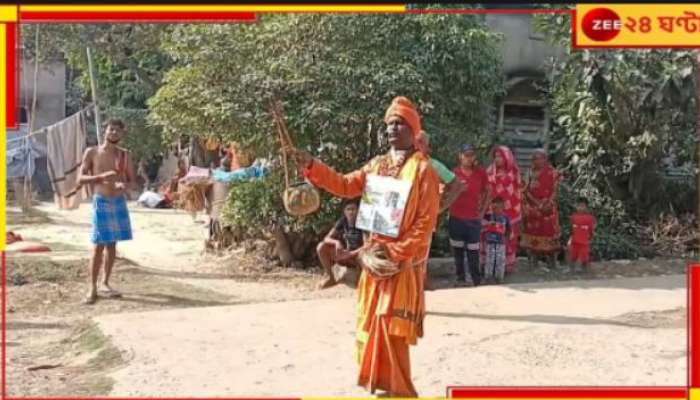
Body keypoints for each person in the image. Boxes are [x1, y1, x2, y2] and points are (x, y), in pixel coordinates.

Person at [292, 96, 440, 397]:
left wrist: (394, 254)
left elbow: (425, 225)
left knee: (390, 322)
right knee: (369, 323)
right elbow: (345, 185)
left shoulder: (424, 170)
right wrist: (311, 166)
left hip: (399, 263)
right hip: (373, 259)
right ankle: (379, 384)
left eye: (399, 123)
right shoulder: (377, 165)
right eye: (388, 124)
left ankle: (401, 389)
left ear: (413, 129)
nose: (391, 129)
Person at [77, 118, 136, 304]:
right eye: (111, 130)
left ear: (122, 134)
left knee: (112, 245)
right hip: (101, 201)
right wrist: (100, 177)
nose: (114, 133)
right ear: (105, 131)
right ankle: (92, 287)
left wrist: (124, 185)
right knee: (98, 246)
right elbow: (80, 179)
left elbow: (133, 181)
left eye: (118, 131)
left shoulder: (124, 155)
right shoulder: (92, 152)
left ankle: (105, 283)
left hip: (118, 202)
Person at [449, 144, 490, 287]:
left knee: (473, 250)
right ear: (460, 156)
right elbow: (445, 192)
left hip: (473, 219)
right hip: (456, 217)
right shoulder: (453, 173)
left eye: (472, 155)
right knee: (457, 250)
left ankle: (476, 280)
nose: (469, 158)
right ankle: (460, 279)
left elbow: (488, 192)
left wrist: (482, 211)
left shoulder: (480, 173)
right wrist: (457, 191)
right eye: (466, 155)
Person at [484, 145, 522, 275]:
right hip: (493, 211)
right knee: (491, 237)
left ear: (507, 157)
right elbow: (486, 191)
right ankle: (489, 266)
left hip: (511, 211)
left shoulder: (514, 172)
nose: (497, 159)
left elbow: (518, 192)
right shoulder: (490, 171)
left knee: (508, 237)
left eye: (500, 156)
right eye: (495, 156)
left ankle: (507, 266)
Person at [522, 149, 561, 269]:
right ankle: (533, 262)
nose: (537, 161)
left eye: (539, 158)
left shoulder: (553, 173)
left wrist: (547, 202)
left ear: (545, 159)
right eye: (534, 158)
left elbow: (555, 190)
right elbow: (524, 190)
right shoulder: (528, 173)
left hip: (548, 209)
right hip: (533, 210)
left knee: (550, 234)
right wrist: (536, 203)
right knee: (532, 235)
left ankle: (552, 262)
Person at [316, 200, 364, 289]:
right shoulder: (343, 221)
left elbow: (370, 245)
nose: (351, 212)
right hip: (346, 254)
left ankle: (363, 280)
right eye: (348, 209)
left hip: (360, 255)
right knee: (321, 247)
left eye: (353, 209)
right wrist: (336, 242)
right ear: (344, 212)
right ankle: (331, 278)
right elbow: (327, 238)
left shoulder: (364, 222)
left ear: (358, 211)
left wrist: (351, 254)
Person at [415, 131, 465, 212]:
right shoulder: (402, 163)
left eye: (420, 142)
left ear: (427, 148)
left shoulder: (434, 165)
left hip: (425, 215)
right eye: (414, 141)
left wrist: (442, 208)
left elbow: (457, 185)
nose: (416, 145)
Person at [482, 197, 511, 284]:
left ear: (503, 207)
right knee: (489, 260)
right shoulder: (488, 216)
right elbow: (482, 225)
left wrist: (507, 239)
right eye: (494, 208)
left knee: (500, 260)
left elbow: (509, 229)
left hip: (501, 243)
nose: (496, 210)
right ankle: (488, 277)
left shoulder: (505, 217)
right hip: (490, 242)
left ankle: (499, 277)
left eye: (498, 207)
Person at [568, 197, 596, 270]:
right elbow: (571, 229)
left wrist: (591, 238)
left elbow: (592, 229)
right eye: (579, 206)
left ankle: (585, 272)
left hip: (584, 242)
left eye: (582, 206)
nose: (580, 208)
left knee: (584, 259)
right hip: (574, 241)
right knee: (572, 257)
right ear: (576, 206)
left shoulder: (590, 218)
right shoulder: (573, 217)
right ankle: (571, 271)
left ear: (586, 207)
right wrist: (570, 239)